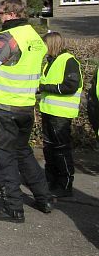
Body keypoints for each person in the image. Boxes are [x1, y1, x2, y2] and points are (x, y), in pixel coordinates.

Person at [0, 0, 51, 223]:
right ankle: (44, 198)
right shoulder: (35, 38)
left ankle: (13, 207)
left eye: (1, 13)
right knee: (23, 152)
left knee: (5, 157)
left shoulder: (7, 38)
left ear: (12, 14)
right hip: (26, 105)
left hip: (5, 106)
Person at [39, 32, 82, 198]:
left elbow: (70, 86)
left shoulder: (69, 61)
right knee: (49, 148)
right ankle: (51, 180)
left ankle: (64, 185)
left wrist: (44, 87)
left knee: (61, 149)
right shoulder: (50, 62)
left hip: (61, 114)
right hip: (49, 111)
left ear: (51, 44)